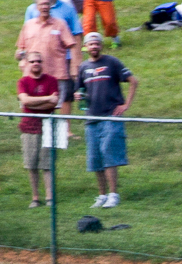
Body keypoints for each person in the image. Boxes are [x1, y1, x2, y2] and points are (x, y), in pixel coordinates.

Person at [76, 31, 135, 208]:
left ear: (101, 45)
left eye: (97, 43)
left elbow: (133, 81)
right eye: (91, 44)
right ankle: (101, 195)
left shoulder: (112, 62)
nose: (94, 46)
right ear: (86, 47)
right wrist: (79, 96)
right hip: (91, 119)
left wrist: (125, 105)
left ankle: (113, 194)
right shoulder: (83, 67)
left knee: (109, 155)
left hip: (110, 116)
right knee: (95, 159)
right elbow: (79, 90)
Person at [17, 51, 59, 207]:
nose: (36, 64)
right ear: (28, 63)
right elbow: (25, 101)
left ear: (42, 63)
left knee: (47, 164)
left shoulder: (52, 80)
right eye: (33, 61)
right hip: (29, 126)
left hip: (48, 125)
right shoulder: (23, 82)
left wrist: (34, 103)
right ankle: (35, 197)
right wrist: (47, 98)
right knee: (31, 164)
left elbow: (53, 104)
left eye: (39, 61)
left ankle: (49, 197)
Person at [16, 0, 76, 106]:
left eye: (47, 4)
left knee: (53, 106)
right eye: (41, 4)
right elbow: (21, 48)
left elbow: (72, 45)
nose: (44, 7)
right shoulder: (28, 25)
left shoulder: (60, 24)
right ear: (36, 7)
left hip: (56, 75)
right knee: (30, 107)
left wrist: (74, 67)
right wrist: (20, 57)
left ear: (50, 7)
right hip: (32, 76)